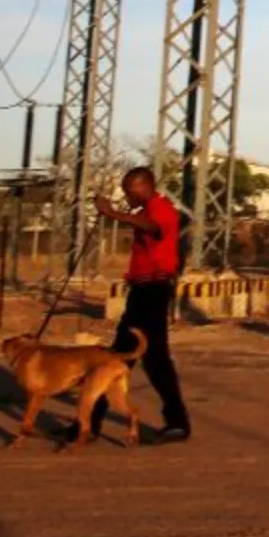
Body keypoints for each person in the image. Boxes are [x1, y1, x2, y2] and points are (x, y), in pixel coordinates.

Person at [91, 166, 191, 442]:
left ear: (141, 186)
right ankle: (87, 424)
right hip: (141, 289)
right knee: (119, 358)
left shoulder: (161, 209)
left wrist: (112, 213)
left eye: (128, 191)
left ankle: (177, 422)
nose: (127, 197)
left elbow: (154, 227)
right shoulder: (144, 211)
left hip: (154, 290)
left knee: (152, 359)